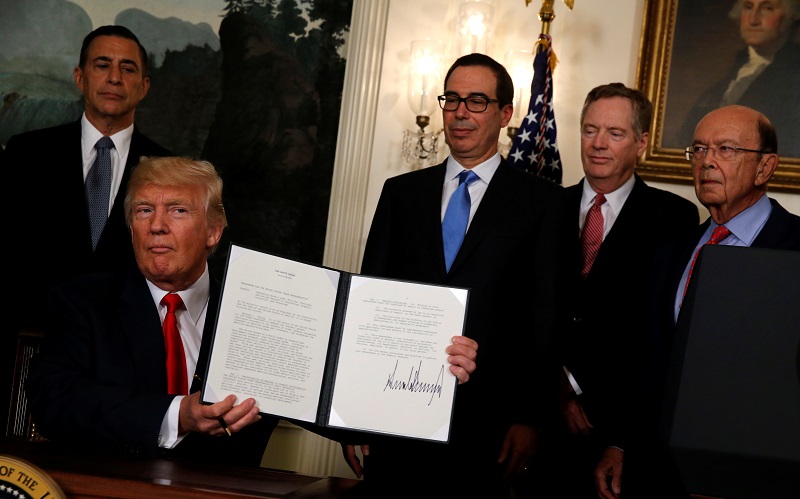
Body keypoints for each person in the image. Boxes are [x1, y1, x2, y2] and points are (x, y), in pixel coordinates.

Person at [340, 53, 564, 498]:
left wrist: (529, 418)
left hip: (489, 426)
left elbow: (546, 319)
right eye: (453, 99)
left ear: (505, 113)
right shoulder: (401, 194)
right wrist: (354, 410)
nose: (460, 112)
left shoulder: (542, 203)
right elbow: (369, 303)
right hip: (394, 419)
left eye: (477, 101)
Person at [594, 104, 800, 498]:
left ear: (765, 167)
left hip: (759, 475)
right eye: (699, 150)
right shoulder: (672, 251)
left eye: (726, 150)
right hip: (660, 474)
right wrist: (620, 443)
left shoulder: (796, 247)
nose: (707, 162)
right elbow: (646, 359)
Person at [25, 156, 277, 465]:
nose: (156, 226)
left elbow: (304, 391)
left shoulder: (257, 312)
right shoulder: (81, 302)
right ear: (132, 229)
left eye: (178, 210)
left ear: (213, 232)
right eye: (144, 211)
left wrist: (353, 433)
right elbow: (56, 401)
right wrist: (177, 416)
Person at [526, 83, 698, 498]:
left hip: (618, 429)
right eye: (590, 130)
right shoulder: (542, 207)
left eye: (614, 134)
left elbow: (660, 334)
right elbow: (522, 309)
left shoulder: (673, 217)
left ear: (641, 142)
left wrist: (616, 431)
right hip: (535, 421)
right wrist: (558, 388)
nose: (598, 144)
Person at [3, 25, 171, 435]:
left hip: (118, 372)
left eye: (128, 68)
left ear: (144, 86)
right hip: (20, 351)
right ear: (80, 76)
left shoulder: (168, 169)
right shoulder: (26, 153)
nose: (115, 77)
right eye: (102, 65)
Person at [680, 0, 800, 156]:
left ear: (791, 16)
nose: (753, 20)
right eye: (748, 7)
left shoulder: (792, 76)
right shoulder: (734, 70)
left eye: (768, 8)